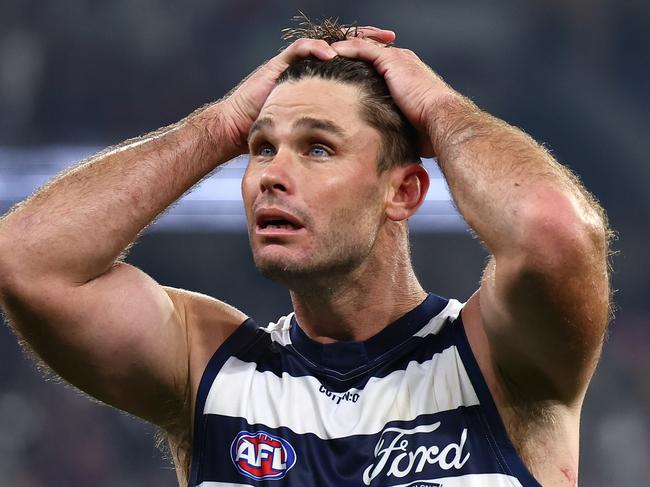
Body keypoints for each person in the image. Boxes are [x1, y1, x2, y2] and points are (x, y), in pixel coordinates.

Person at [0, 17, 612, 487]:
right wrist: (219, 125)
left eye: (318, 148)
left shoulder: (497, 361)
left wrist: (443, 111)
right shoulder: (208, 368)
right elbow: (27, 261)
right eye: (262, 148)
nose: (271, 173)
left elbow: (552, 229)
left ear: (402, 191)